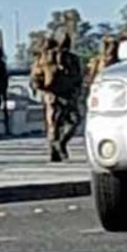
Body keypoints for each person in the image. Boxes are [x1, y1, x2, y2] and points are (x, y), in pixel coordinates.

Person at [30, 28, 84, 163]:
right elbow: (36, 75)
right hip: (53, 94)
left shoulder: (71, 58)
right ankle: (55, 150)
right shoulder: (46, 57)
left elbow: (78, 77)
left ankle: (59, 144)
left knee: (69, 121)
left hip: (64, 94)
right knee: (57, 123)